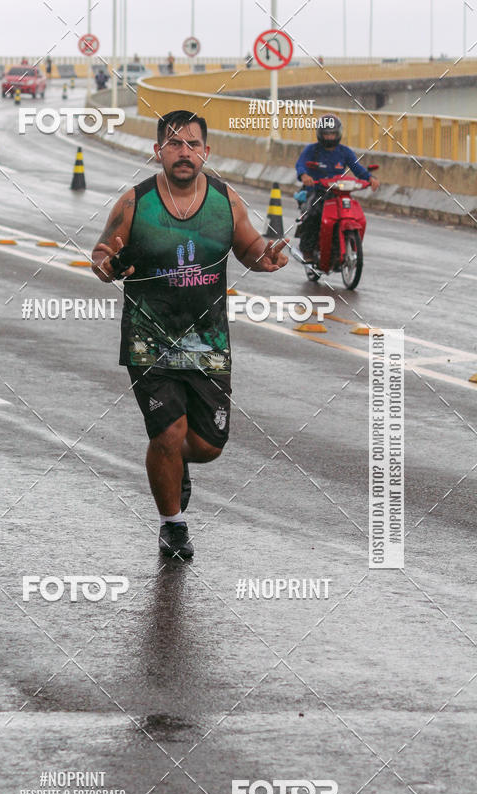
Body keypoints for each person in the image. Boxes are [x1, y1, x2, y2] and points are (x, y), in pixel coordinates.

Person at [92, 109, 289, 559]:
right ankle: (172, 524)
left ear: (206, 151)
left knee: (205, 445)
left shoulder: (226, 200)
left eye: (193, 144)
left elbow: (251, 249)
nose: (184, 153)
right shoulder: (135, 202)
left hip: (208, 342)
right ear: (157, 150)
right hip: (149, 339)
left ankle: (173, 464)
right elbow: (102, 258)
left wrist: (268, 259)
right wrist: (110, 266)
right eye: (175, 144)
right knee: (168, 432)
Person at [295, 114, 380, 262]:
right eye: (326, 134)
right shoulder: (312, 150)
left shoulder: (344, 152)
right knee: (313, 215)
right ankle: (307, 250)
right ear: (320, 134)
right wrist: (304, 176)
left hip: (338, 193)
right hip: (316, 192)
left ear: (339, 133)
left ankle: (343, 245)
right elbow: (300, 164)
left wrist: (370, 178)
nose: (330, 137)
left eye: (333, 133)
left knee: (352, 214)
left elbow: (357, 168)